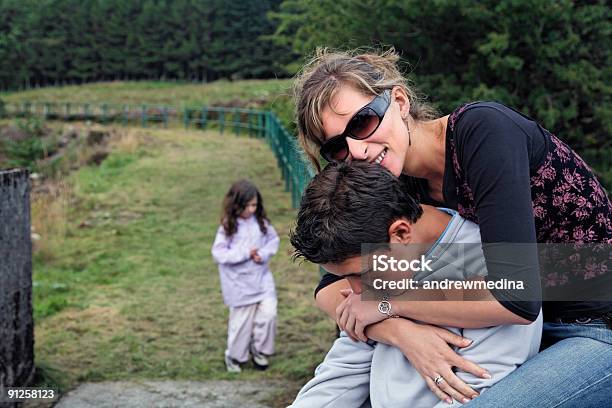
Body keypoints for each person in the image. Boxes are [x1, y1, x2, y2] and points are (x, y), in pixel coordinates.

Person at [292, 48, 612, 406]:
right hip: (509, 336)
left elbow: (517, 296)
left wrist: (385, 305)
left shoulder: (483, 132)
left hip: (592, 328)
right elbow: (334, 285)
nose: (357, 150)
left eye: (362, 123)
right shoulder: (392, 179)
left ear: (399, 101)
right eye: (336, 148)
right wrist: (399, 331)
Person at [288, 161, 542, 407]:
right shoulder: (381, 276)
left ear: (401, 234)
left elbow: (478, 394)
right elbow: (342, 374)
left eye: (360, 274)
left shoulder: (490, 268)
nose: (355, 290)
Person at [211, 179, 280, 372]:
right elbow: (218, 253)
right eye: (247, 205)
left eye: (254, 205)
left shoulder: (261, 222)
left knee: (268, 314)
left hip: (262, 279)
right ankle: (235, 356)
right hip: (238, 283)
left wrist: (263, 254)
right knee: (241, 323)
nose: (251, 209)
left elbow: (273, 240)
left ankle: (260, 350)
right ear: (236, 204)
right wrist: (243, 254)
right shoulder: (228, 227)